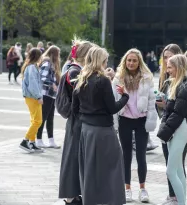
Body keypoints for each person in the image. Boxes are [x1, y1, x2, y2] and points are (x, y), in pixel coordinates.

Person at [72, 47, 129, 205]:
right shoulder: (102, 80)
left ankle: (90, 200)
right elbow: (112, 108)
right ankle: (111, 200)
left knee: (89, 168)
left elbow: (74, 109)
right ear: (101, 61)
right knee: (113, 164)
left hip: (86, 130)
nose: (106, 63)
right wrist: (125, 96)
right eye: (105, 60)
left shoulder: (81, 78)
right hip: (103, 130)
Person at [112, 48, 157, 203]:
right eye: (129, 60)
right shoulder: (118, 79)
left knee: (141, 155)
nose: (131, 63)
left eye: (134, 60)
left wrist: (151, 120)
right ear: (125, 62)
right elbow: (114, 102)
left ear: (139, 63)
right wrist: (114, 122)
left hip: (141, 120)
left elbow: (151, 102)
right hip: (124, 119)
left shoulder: (146, 78)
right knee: (126, 155)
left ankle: (143, 189)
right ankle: (127, 188)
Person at [58, 38, 95, 205]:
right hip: (77, 120)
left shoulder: (75, 71)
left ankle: (73, 194)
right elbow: (82, 98)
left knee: (75, 156)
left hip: (77, 120)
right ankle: (71, 196)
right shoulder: (75, 72)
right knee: (73, 157)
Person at [157, 44, 187, 205]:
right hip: (177, 129)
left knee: (171, 171)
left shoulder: (185, 86)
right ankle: (181, 201)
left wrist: (163, 133)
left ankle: (180, 202)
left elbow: (178, 114)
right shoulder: (178, 83)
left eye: (170, 67)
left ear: (178, 67)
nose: (167, 69)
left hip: (179, 130)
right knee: (177, 170)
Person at [19, 48, 44, 153]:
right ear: (37, 57)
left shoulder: (31, 67)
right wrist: (38, 96)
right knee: (38, 121)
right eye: (41, 55)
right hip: (33, 97)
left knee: (34, 120)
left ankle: (32, 142)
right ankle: (25, 141)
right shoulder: (32, 68)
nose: (42, 57)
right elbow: (33, 84)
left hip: (31, 97)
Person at [36, 46, 62, 149]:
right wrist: (53, 84)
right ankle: (38, 139)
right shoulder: (47, 63)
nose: (59, 56)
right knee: (43, 117)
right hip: (46, 94)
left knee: (49, 118)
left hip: (50, 95)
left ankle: (51, 140)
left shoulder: (50, 64)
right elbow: (43, 77)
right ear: (54, 54)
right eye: (58, 54)